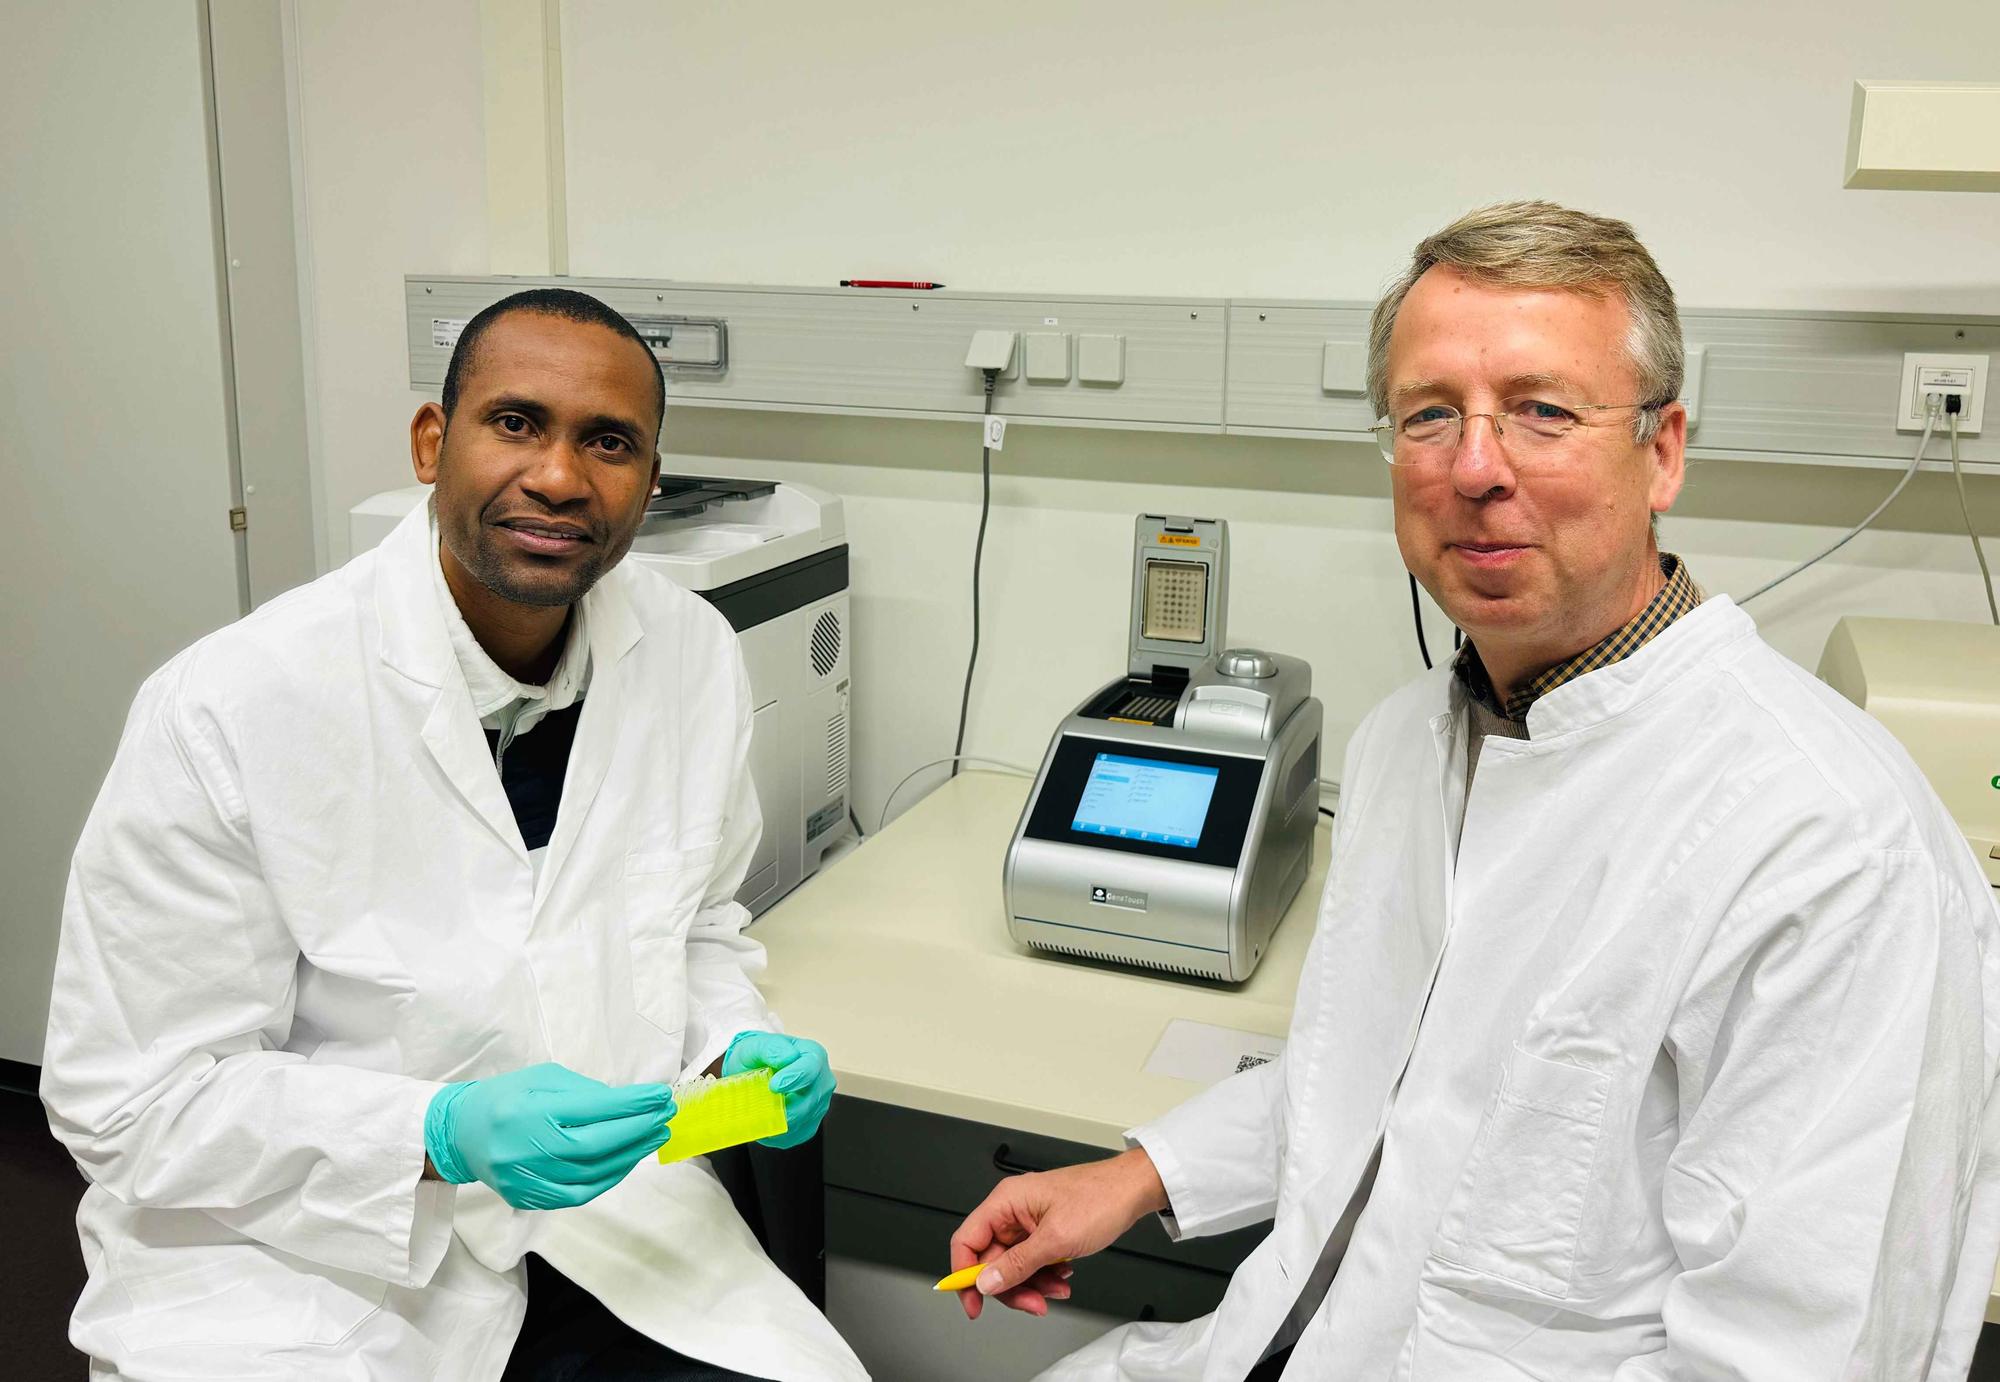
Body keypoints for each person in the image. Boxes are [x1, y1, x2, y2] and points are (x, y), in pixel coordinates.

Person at [951, 203, 2000, 1380]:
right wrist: (1137, 1176)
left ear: (1661, 451)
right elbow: (1390, 1073)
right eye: (1428, 414)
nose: (1473, 467)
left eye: (1543, 410)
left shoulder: (1828, 844)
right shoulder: (1412, 740)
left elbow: (1806, 1353)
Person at [42, 288, 865, 1381]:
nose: (561, 476)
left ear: (650, 482)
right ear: (434, 442)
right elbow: (131, 1099)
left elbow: (697, 920)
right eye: (516, 421)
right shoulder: (234, 704)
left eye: (608, 442)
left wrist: (729, 1040)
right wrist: (432, 1131)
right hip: (311, 1258)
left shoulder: (689, 654)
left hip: (603, 1218)